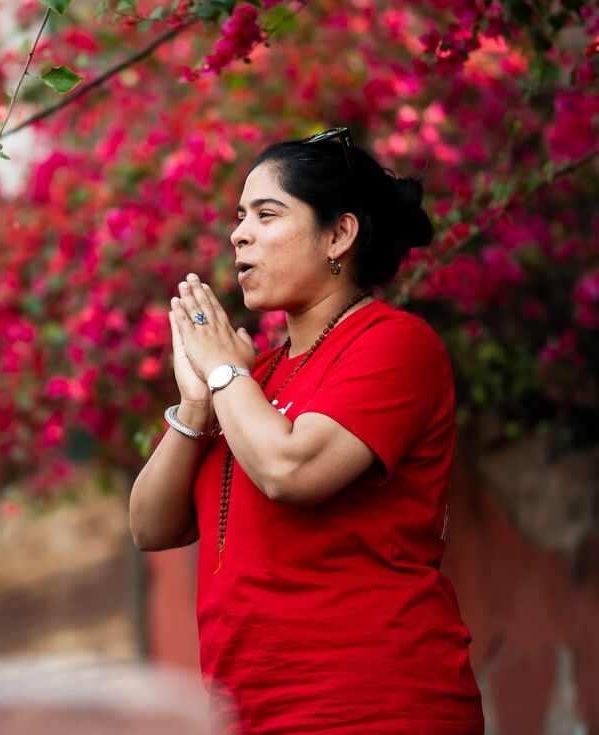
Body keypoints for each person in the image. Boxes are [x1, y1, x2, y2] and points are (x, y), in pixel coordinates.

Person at [129, 128, 483, 733]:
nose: (240, 234)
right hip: (252, 712)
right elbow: (150, 526)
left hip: (373, 704)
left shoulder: (393, 343)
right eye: (240, 217)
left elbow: (290, 470)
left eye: (267, 214)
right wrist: (196, 403)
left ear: (338, 235)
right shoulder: (251, 381)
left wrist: (224, 372)